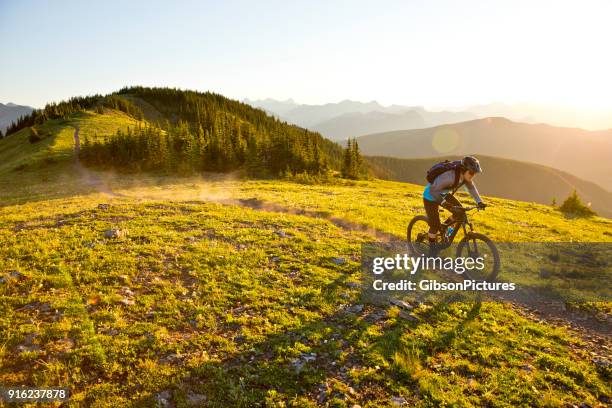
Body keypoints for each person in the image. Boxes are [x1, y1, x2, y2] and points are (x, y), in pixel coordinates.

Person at [423, 156, 486, 245]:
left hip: (443, 194)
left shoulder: (465, 177)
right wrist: (444, 203)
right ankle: (432, 250)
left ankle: (444, 227)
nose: (473, 175)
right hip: (430, 196)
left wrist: (479, 201)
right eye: (471, 173)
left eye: (474, 173)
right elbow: (433, 191)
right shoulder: (449, 177)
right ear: (464, 170)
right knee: (435, 226)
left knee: (460, 212)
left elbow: (471, 187)